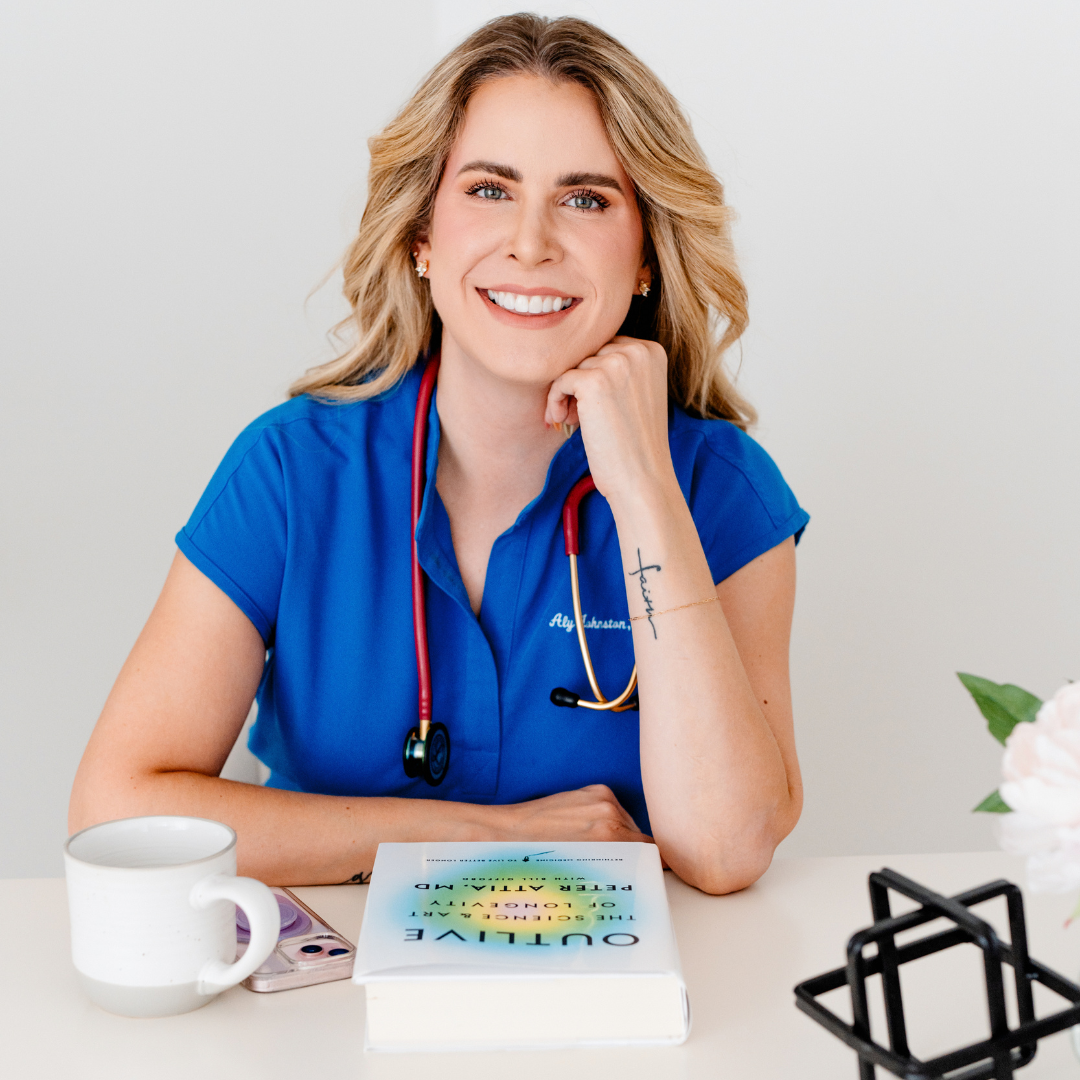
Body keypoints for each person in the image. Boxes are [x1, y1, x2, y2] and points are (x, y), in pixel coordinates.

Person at [69, 14, 809, 895]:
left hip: (619, 973)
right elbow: (117, 810)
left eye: (586, 199)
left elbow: (725, 848)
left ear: (647, 253)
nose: (531, 242)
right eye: (490, 190)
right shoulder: (292, 474)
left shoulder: (722, 491)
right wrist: (486, 835)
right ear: (422, 236)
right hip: (331, 974)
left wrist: (647, 493)